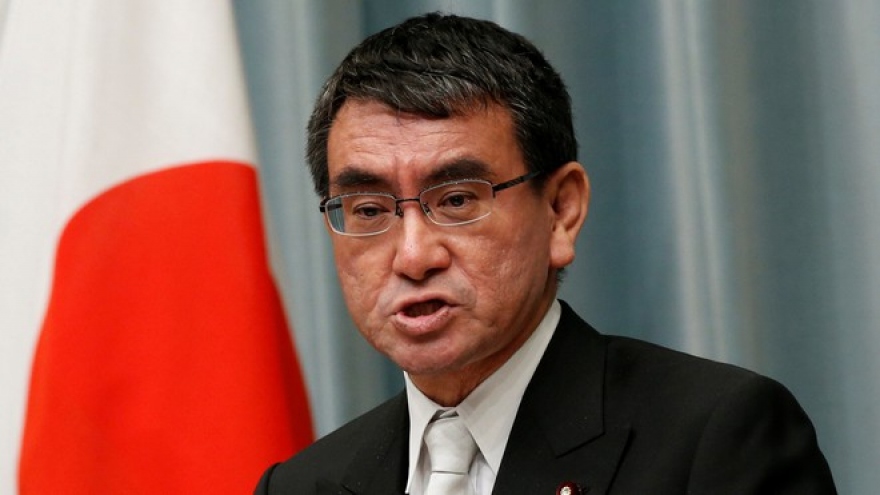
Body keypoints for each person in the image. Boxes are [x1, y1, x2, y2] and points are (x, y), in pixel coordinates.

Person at [255, 12, 837, 495]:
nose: (413, 256)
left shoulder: (713, 440)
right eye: (369, 210)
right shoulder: (302, 486)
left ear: (561, 211)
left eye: (456, 200)